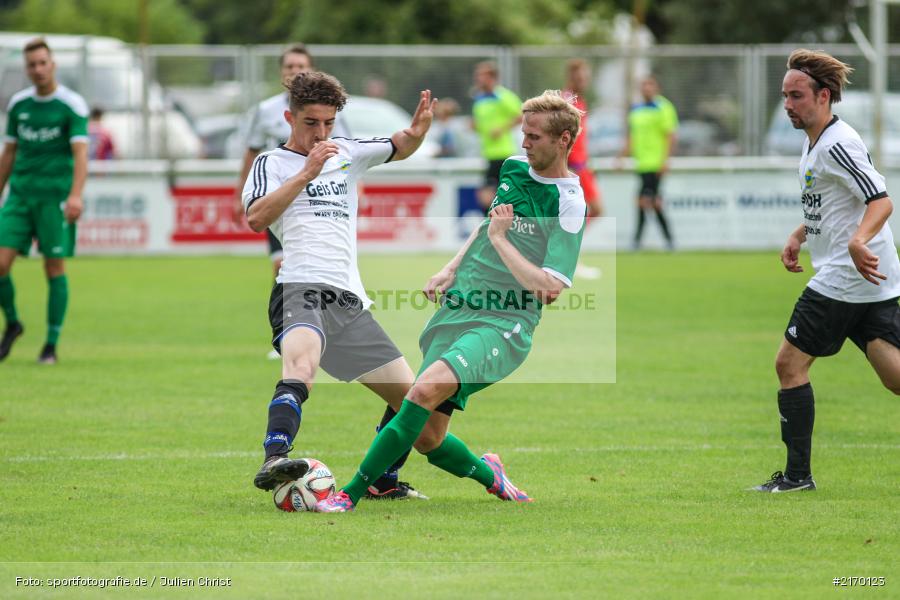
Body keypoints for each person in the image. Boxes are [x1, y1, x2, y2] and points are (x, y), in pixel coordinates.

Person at [315, 90, 587, 513]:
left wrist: (500, 239)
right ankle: (489, 474)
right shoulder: (514, 169)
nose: (524, 143)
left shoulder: (568, 203)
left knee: (420, 392)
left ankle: (347, 495)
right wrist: (451, 268)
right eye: (524, 133)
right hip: (458, 308)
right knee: (429, 439)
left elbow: (548, 288)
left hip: (504, 323)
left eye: (534, 136)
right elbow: (489, 225)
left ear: (563, 139)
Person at [242, 71, 437, 501]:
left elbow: (400, 144)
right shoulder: (270, 165)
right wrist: (305, 173)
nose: (321, 133)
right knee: (301, 369)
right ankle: (275, 456)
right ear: (289, 117)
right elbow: (256, 218)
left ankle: (384, 480)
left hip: (349, 303)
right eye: (311, 122)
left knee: (416, 400)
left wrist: (419, 131)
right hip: (299, 288)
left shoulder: (346, 152)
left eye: (328, 123)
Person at [752, 50, 900, 493]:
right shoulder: (816, 138)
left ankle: (797, 477)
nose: (788, 105)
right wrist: (800, 233)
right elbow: (835, 201)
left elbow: (880, 200)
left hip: (847, 275)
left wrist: (857, 242)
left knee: (789, 364)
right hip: (871, 277)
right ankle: (797, 475)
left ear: (824, 95)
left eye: (796, 96)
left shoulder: (839, 142)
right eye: (784, 96)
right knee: (895, 379)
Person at [0, 38, 88, 365]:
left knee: (53, 267)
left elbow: (81, 155)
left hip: (54, 199)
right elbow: (8, 153)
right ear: (27, 69)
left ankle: (50, 345)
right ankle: (13, 323)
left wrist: (76, 194)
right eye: (31, 65)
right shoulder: (19, 106)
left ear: (53, 65)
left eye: (42, 63)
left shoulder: (71, 105)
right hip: (20, 196)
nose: (37, 69)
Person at [619, 74, 677, 251]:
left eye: (650, 85)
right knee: (652, 202)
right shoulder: (636, 110)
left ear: (656, 88)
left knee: (645, 200)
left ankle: (639, 241)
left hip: (656, 164)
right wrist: (622, 156)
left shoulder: (664, 107)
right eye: (644, 86)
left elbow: (670, 135)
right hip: (642, 164)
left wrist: (665, 160)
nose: (647, 89)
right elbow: (632, 137)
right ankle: (668, 241)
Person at [563, 58, 602, 280]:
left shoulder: (579, 101)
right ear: (571, 77)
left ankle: (568, 255)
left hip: (582, 165)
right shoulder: (566, 101)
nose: (584, 81)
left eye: (586, 77)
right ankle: (568, 258)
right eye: (580, 77)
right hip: (573, 167)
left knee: (590, 211)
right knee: (588, 210)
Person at [471, 61, 522, 212]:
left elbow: (521, 114)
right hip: (489, 154)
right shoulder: (479, 100)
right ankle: (498, 230)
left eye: (482, 75)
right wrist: (476, 127)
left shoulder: (503, 96)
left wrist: (502, 128)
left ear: (492, 78)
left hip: (504, 154)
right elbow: (483, 125)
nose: (478, 79)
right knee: (490, 199)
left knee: (490, 197)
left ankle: (499, 231)